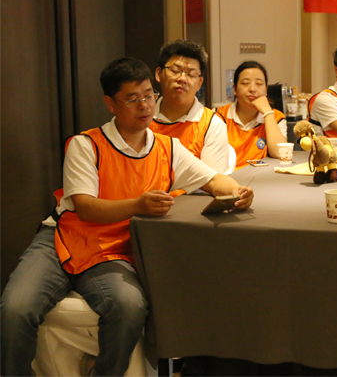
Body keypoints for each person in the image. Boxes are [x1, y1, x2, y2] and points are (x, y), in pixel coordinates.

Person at [0, 57, 254, 377]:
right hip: (60, 239)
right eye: (132, 99)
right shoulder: (86, 144)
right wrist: (138, 206)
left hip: (113, 250)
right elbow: (86, 207)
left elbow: (214, 180)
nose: (145, 105)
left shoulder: (168, 148)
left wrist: (238, 191)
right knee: (16, 309)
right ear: (111, 103)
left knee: (129, 306)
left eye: (148, 95)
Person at [149, 40, 232, 174]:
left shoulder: (212, 125)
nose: (182, 79)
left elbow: (213, 181)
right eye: (175, 70)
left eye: (191, 74)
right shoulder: (143, 116)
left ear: (199, 83)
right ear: (159, 74)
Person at [215, 61, 287, 170]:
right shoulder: (218, 116)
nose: (252, 89)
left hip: (260, 177)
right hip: (225, 177)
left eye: (259, 84)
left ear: (266, 90)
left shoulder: (276, 117)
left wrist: (267, 113)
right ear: (234, 89)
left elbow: (280, 153)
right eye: (245, 83)